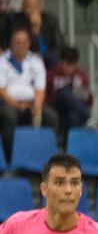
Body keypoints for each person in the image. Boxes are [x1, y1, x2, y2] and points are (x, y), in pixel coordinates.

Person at [0, 25, 55, 156]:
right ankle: (10, 158)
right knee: (9, 116)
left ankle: (46, 156)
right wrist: (18, 105)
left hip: (32, 103)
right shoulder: (2, 61)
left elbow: (40, 89)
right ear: (11, 43)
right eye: (17, 42)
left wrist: (36, 106)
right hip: (8, 103)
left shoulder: (36, 61)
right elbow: (1, 90)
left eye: (24, 42)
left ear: (29, 43)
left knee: (51, 117)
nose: (20, 46)